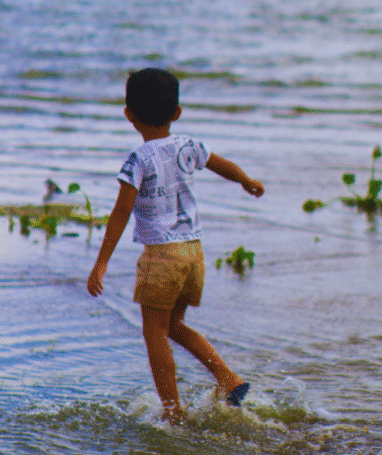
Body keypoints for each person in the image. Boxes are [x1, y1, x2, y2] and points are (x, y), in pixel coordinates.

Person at [87, 68, 265, 424]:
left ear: (128, 115)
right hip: (194, 253)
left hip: (162, 256)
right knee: (173, 325)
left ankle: (172, 412)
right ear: (177, 112)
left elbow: (122, 210)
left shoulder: (139, 159)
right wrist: (245, 180)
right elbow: (221, 165)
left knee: (154, 331)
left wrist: (101, 262)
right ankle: (228, 378)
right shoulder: (188, 145)